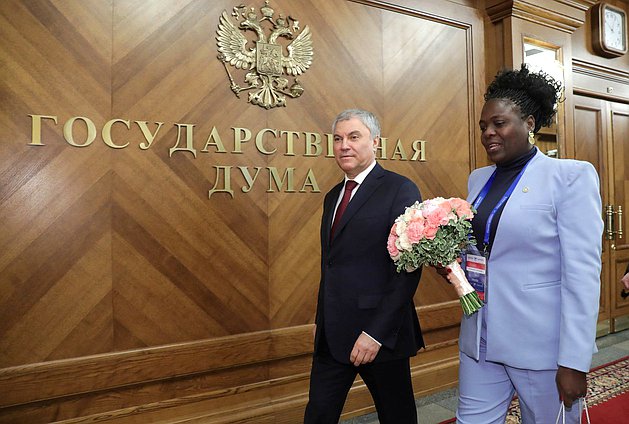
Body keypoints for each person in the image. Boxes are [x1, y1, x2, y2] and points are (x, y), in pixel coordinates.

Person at [454, 64, 603, 423]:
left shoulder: (569, 177)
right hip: (480, 337)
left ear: (530, 124)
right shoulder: (478, 180)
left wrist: (573, 360)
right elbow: (484, 248)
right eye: (483, 126)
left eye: (499, 123)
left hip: (540, 345)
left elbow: (582, 276)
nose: (489, 132)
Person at [304, 109, 424, 424]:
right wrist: (321, 318)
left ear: (375, 142)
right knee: (317, 414)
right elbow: (330, 266)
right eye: (338, 139)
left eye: (354, 137)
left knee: (397, 417)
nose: (344, 145)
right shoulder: (332, 197)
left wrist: (375, 333)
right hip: (332, 335)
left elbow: (407, 270)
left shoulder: (400, 189)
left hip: (379, 335)